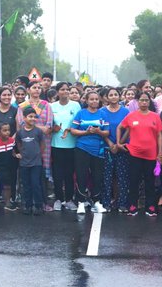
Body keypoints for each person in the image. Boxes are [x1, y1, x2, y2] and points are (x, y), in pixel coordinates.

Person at [118, 91, 162, 216]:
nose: (144, 102)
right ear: (137, 102)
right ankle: (133, 205)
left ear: (149, 102)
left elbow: (159, 135)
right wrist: (118, 143)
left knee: (150, 181)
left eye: (146, 100)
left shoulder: (155, 116)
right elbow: (120, 127)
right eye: (142, 100)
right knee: (134, 180)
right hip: (134, 154)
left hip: (151, 154)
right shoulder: (131, 116)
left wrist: (160, 152)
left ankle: (150, 207)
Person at [70, 90, 109, 214]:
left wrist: (98, 132)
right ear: (86, 101)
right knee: (81, 176)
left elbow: (107, 132)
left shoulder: (103, 114)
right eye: (91, 99)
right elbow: (73, 130)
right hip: (82, 148)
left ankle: (96, 201)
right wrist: (86, 132)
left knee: (97, 176)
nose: (94, 101)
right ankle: (81, 202)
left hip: (98, 150)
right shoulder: (81, 113)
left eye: (96, 99)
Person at [48, 82, 80, 210]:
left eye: (67, 89)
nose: (65, 92)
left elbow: (78, 122)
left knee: (69, 174)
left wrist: (70, 129)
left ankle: (69, 199)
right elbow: (48, 124)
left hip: (72, 144)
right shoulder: (52, 106)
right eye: (62, 89)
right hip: (56, 144)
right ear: (57, 92)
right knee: (57, 174)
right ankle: (58, 199)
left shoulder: (76, 105)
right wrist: (53, 129)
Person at [15, 106, 46, 215]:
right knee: (26, 185)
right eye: (30, 116)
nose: (33, 119)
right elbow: (18, 144)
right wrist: (21, 154)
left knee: (36, 184)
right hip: (24, 163)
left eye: (34, 117)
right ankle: (27, 205)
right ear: (24, 118)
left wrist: (38, 155)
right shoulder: (20, 132)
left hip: (36, 163)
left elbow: (42, 145)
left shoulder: (38, 131)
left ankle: (38, 205)